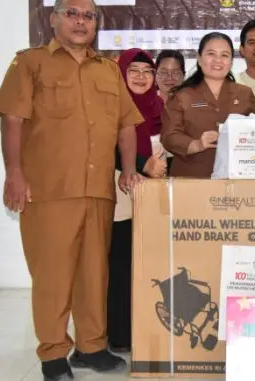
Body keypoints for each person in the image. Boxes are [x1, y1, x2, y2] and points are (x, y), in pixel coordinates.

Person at [0, 0, 145, 381]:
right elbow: (12, 119)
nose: (81, 22)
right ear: (54, 19)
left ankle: (91, 347)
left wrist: (128, 169)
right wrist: (14, 173)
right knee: (53, 276)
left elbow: (126, 124)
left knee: (94, 275)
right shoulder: (30, 64)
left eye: (88, 16)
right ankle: (53, 353)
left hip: (98, 191)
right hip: (49, 190)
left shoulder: (108, 70)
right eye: (72, 13)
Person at [107, 48, 167, 354]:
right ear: (121, 74)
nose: (141, 77)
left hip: (155, 197)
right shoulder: (110, 105)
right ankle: (120, 333)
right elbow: (107, 146)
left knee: (154, 266)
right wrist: (143, 164)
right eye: (134, 71)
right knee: (122, 264)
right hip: (122, 193)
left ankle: (152, 329)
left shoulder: (161, 107)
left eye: (147, 72)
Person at [161, 32, 255, 178]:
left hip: (236, 178)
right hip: (190, 178)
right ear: (199, 58)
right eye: (211, 54)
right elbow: (169, 136)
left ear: (231, 62)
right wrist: (195, 144)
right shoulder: (181, 96)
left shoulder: (245, 94)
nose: (217, 60)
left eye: (224, 55)